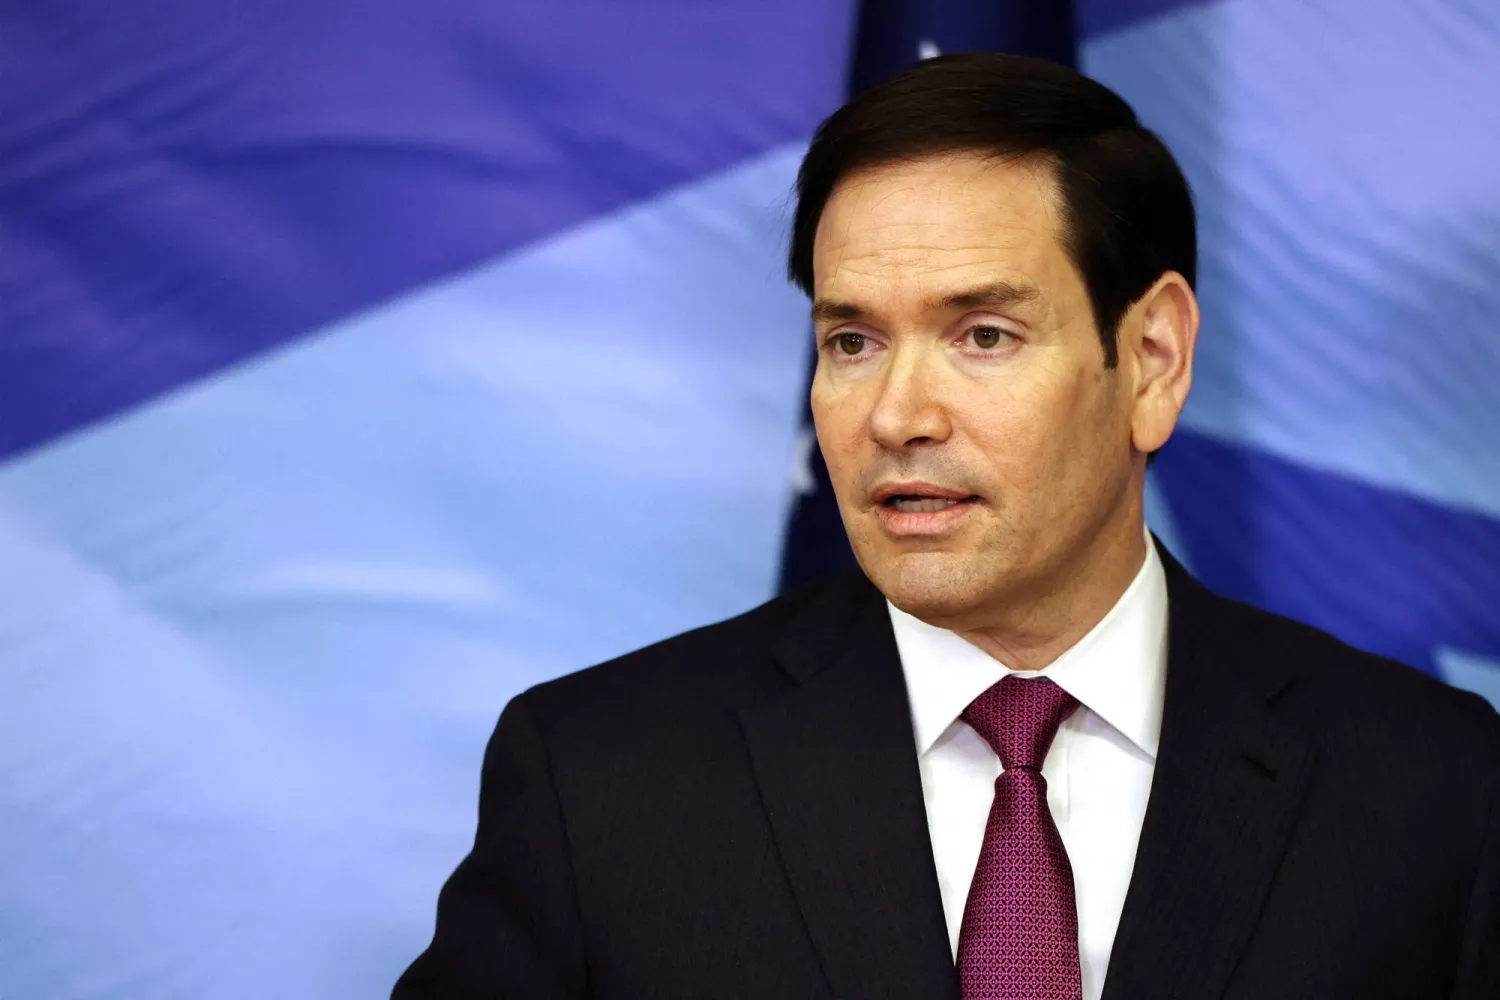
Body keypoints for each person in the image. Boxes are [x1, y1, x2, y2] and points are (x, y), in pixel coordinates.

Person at [393, 53, 1500, 1000]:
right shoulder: (601, 781)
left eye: (981, 335)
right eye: (852, 342)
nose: (896, 417)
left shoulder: (1434, 789)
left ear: (1152, 359)